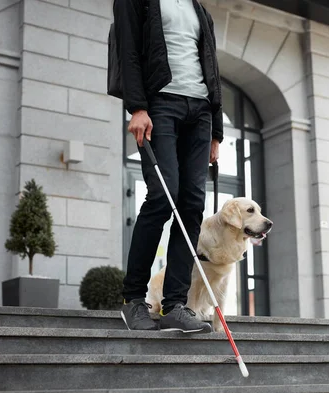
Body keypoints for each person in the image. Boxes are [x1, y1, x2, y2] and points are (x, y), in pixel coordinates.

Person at [113, 0, 223, 332]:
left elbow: (212, 67)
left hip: (199, 110)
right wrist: (137, 107)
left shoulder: (199, 9)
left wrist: (216, 131)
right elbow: (128, 51)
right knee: (163, 196)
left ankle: (175, 304)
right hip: (160, 103)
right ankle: (133, 299)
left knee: (191, 206)